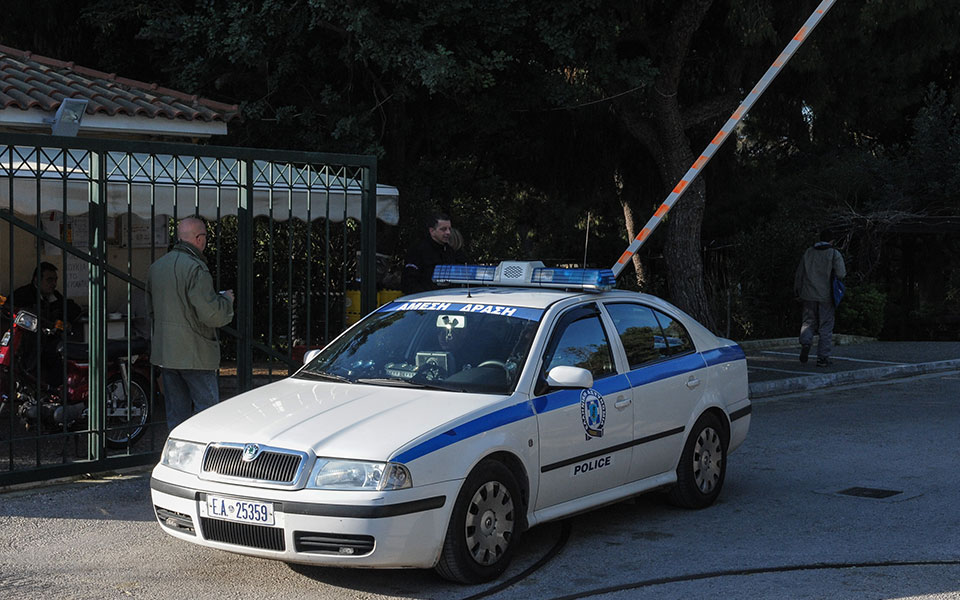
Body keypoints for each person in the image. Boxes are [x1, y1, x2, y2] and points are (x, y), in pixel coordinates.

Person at [147, 217, 234, 430]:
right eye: (205, 236)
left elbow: (151, 310)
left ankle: (179, 456)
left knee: (176, 416)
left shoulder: (157, 267)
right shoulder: (196, 268)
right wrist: (226, 301)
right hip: (195, 354)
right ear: (199, 238)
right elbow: (211, 314)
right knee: (208, 414)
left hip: (167, 354)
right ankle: (206, 458)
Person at [794, 236, 846, 367]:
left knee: (808, 321)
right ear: (831, 240)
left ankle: (806, 342)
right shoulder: (834, 253)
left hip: (808, 294)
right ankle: (822, 358)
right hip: (826, 295)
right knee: (826, 326)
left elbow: (799, 273)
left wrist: (798, 291)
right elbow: (841, 274)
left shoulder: (808, 252)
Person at [401, 212, 464, 294]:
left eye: (449, 229)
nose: (448, 232)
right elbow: (409, 283)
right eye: (443, 229)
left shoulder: (450, 251)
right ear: (432, 231)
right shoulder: (418, 251)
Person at [9, 262, 83, 333]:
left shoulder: (55, 295)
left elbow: (73, 309)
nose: (54, 284)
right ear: (37, 280)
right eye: (49, 280)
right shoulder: (23, 295)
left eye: (55, 280)